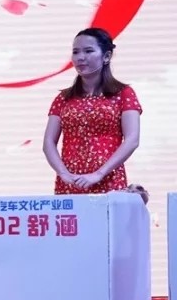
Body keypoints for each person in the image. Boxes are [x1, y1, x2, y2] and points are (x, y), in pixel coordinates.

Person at [43, 27, 142, 195]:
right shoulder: (63, 98)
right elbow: (48, 142)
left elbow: (132, 139)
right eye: (76, 52)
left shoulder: (124, 93)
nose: (80, 57)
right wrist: (63, 174)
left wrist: (99, 174)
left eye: (88, 51)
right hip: (70, 182)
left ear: (106, 56)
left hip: (108, 179)